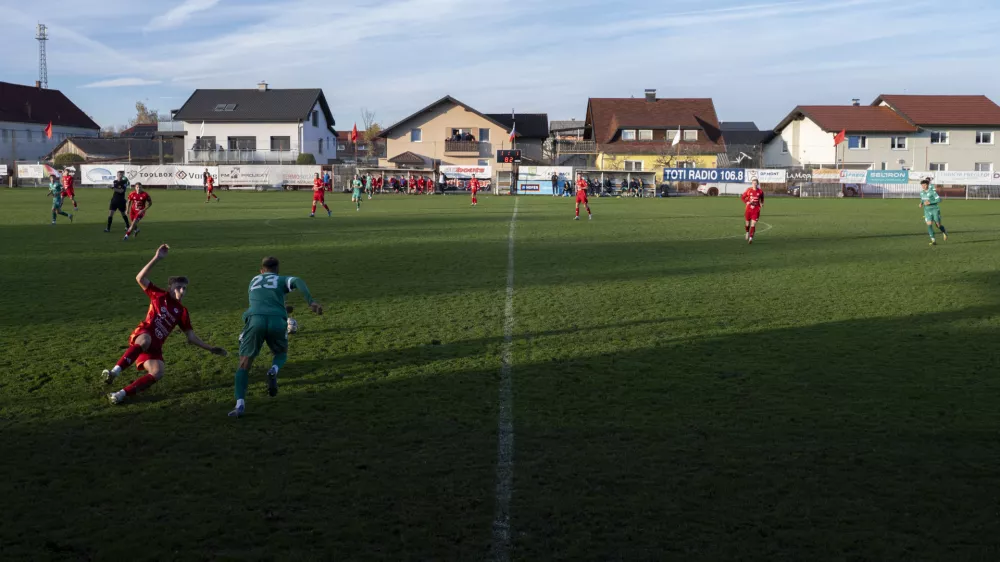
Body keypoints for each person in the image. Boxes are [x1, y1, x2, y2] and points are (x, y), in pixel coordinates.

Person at [103, 244, 227, 405]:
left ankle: (120, 395)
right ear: (170, 288)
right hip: (144, 334)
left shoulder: (182, 312)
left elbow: (191, 337)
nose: (181, 291)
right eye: (178, 287)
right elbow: (139, 278)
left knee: (158, 372)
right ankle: (113, 372)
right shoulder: (159, 295)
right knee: (145, 340)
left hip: (155, 346)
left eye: (184, 288)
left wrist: (210, 348)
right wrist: (157, 258)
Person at [229, 256, 323, 418]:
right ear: (277, 270)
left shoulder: (254, 280)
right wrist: (311, 301)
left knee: (244, 363)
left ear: (261, 270)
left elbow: (264, 301)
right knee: (281, 353)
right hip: (277, 320)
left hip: (255, 320)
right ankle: (274, 369)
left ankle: (239, 405)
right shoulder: (280, 279)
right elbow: (298, 281)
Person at [919, 178, 948, 245]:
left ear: (928, 185)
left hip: (935, 209)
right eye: (922, 185)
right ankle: (933, 240)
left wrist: (930, 202)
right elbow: (922, 199)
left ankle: (944, 231)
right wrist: (921, 203)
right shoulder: (921, 192)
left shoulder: (932, 192)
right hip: (927, 210)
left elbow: (939, 200)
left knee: (938, 225)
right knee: (929, 224)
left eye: (924, 185)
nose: (923, 186)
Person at [741, 178, 765, 244]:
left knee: (753, 224)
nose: (754, 184)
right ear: (752, 184)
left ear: (757, 184)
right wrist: (747, 202)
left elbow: (762, 199)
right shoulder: (748, 190)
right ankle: (747, 232)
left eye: (755, 183)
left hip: (756, 210)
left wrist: (761, 203)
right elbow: (742, 197)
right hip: (748, 209)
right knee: (747, 223)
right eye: (753, 183)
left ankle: (750, 238)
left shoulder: (760, 191)